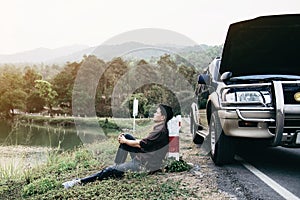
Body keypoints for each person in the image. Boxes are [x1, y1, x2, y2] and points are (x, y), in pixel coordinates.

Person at [62, 104, 173, 189]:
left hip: (144, 165)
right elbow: (146, 144)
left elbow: (141, 144)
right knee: (127, 136)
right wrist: (125, 139)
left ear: (163, 117)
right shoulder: (160, 128)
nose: (154, 114)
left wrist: (124, 141)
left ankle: (79, 181)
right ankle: (117, 167)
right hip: (145, 159)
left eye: (157, 112)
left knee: (109, 169)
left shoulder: (160, 131)